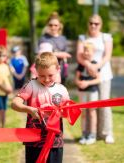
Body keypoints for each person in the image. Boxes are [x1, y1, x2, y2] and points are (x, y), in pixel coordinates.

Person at [11, 52, 69, 163]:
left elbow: (68, 112)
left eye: (50, 75)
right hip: (34, 140)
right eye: (42, 76)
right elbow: (14, 103)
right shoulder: (31, 85)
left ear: (58, 69)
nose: (46, 79)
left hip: (54, 141)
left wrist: (66, 112)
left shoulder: (62, 90)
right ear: (36, 71)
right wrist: (29, 109)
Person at [76, 14, 114, 144]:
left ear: (100, 25)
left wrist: (96, 66)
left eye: (96, 23)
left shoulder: (106, 37)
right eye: (91, 23)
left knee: (104, 103)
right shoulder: (82, 38)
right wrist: (88, 66)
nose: (93, 25)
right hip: (87, 73)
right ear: (88, 24)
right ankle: (91, 133)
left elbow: (107, 55)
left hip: (103, 74)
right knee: (89, 107)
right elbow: (79, 56)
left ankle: (107, 132)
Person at [75, 42, 100, 145]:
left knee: (92, 112)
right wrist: (79, 83)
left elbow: (98, 79)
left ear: (93, 52)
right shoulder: (81, 65)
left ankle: (92, 135)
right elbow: (76, 79)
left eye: (88, 50)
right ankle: (84, 134)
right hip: (82, 92)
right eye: (84, 50)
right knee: (84, 113)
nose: (86, 52)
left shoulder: (95, 63)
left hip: (93, 90)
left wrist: (87, 82)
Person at [38, 11, 71, 85]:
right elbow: (42, 55)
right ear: (47, 25)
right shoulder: (44, 38)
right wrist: (60, 54)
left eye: (55, 25)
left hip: (61, 69)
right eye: (51, 25)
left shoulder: (63, 38)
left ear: (59, 26)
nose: (53, 27)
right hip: (48, 72)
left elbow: (66, 54)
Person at [0, 46, 13, 128]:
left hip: (6, 92)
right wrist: (5, 89)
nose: (1, 58)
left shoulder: (6, 66)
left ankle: (3, 127)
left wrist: (9, 88)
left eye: (4, 56)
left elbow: (8, 79)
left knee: (4, 110)